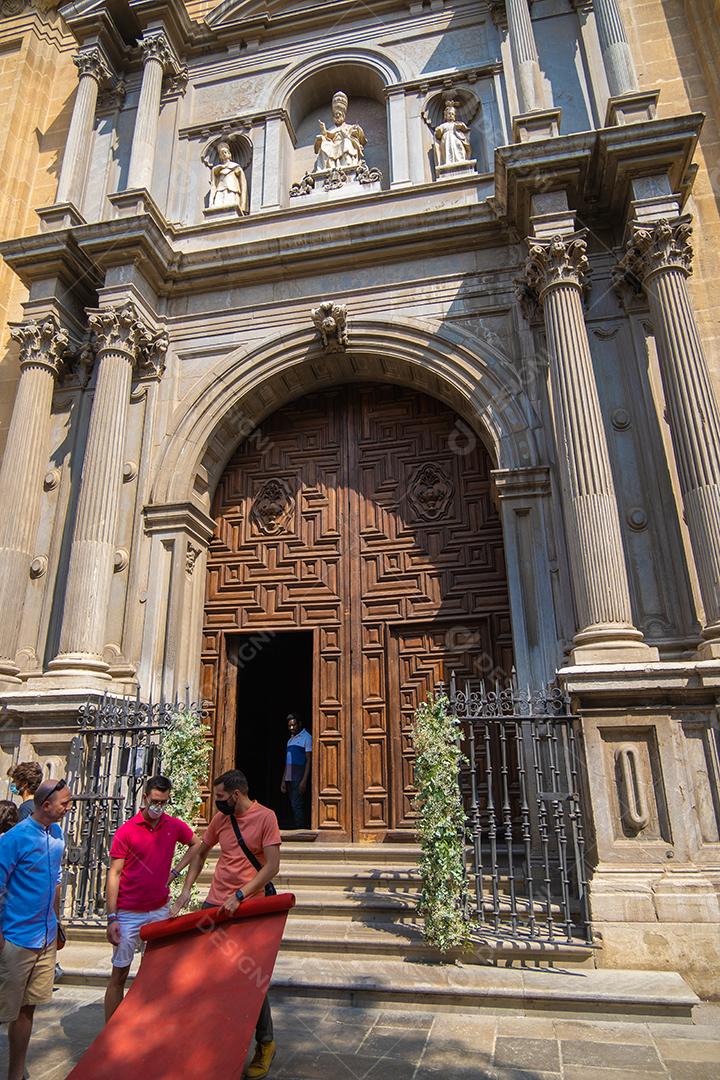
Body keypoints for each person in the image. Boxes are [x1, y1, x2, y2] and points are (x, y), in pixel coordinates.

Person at [177, 769, 281, 1079]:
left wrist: (240, 894)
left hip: (250, 907)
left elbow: (272, 866)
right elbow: (202, 850)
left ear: (236, 794)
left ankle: (265, 1043)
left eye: (221, 796)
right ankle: (214, 1040)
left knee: (250, 977)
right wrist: (186, 889)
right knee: (209, 975)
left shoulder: (266, 817)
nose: (217, 801)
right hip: (215, 904)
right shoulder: (221, 819)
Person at [104, 775, 203, 1022]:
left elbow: (196, 844)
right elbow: (114, 874)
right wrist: (112, 916)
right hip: (128, 912)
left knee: (156, 973)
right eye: (155, 801)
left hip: (159, 910)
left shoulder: (173, 825)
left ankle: (146, 1024)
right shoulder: (127, 831)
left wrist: (176, 873)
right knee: (119, 974)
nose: (158, 806)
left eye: (163, 802)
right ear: (145, 797)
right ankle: (110, 1032)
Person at [0, 778, 73, 1080]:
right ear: (46, 805)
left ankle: (16, 1074)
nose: (69, 807)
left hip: (44, 938)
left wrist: (56, 923)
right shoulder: (13, 839)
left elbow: (56, 881)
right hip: (15, 939)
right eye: (65, 803)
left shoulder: (56, 835)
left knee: (27, 1008)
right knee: (3, 1009)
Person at [280, 714, 312, 830]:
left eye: (294, 725)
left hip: (299, 776)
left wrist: (304, 780)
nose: (291, 728)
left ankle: (300, 829)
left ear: (299, 724)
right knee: (293, 803)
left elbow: (309, 760)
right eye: (289, 726)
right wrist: (283, 780)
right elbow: (287, 762)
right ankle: (298, 827)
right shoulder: (290, 740)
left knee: (297, 804)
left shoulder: (307, 737)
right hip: (289, 777)